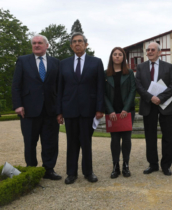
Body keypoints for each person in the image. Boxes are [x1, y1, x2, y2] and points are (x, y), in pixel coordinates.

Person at [57, 32, 105, 184]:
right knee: (71, 143)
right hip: (69, 109)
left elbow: (100, 87)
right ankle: (71, 173)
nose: (77, 44)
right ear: (71, 46)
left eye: (80, 41)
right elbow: (59, 89)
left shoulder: (96, 62)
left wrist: (99, 109)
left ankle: (88, 172)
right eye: (74, 42)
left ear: (86, 44)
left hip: (88, 110)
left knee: (86, 142)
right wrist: (59, 111)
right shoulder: (63, 64)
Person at [12, 34, 61, 180]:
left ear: (47, 45)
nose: (36, 45)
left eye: (39, 43)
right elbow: (16, 86)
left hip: (50, 111)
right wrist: (18, 105)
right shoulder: (22, 61)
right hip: (28, 110)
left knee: (50, 142)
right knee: (30, 142)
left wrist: (60, 110)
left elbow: (59, 87)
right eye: (34, 43)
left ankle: (49, 169)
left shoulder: (56, 62)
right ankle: (31, 169)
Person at [135, 42, 172, 176]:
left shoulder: (169, 67)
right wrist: (151, 97)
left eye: (153, 50)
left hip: (165, 106)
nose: (150, 52)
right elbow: (138, 85)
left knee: (168, 137)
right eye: (148, 50)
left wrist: (160, 98)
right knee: (150, 137)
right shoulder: (140, 67)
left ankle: (166, 165)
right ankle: (153, 164)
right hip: (148, 105)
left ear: (159, 52)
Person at [104, 47, 136, 179]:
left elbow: (133, 90)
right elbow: (103, 94)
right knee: (115, 140)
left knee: (127, 139)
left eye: (120, 55)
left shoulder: (129, 72)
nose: (117, 56)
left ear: (123, 57)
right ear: (111, 57)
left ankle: (126, 165)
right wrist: (110, 110)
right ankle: (115, 166)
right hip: (113, 112)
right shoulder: (105, 73)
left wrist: (126, 109)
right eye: (115, 54)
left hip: (126, 112)